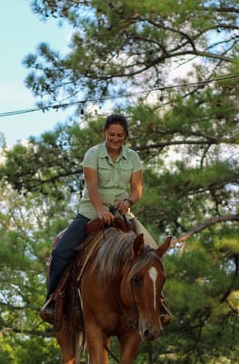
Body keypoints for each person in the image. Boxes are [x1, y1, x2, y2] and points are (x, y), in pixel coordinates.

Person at [40, 113, 172, 325]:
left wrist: (128, 202)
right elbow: (91, 186)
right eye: (112, 134)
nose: (115, 139)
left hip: (122, 213)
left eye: (120, 135)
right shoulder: (93, 154)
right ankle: (52, 300)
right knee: (61, 251)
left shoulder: (133, 158)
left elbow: (137, 189)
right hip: (91, 211)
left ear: (126, 136)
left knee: (154, 252)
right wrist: (100, 210)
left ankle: (160, 305)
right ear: (105, 133)